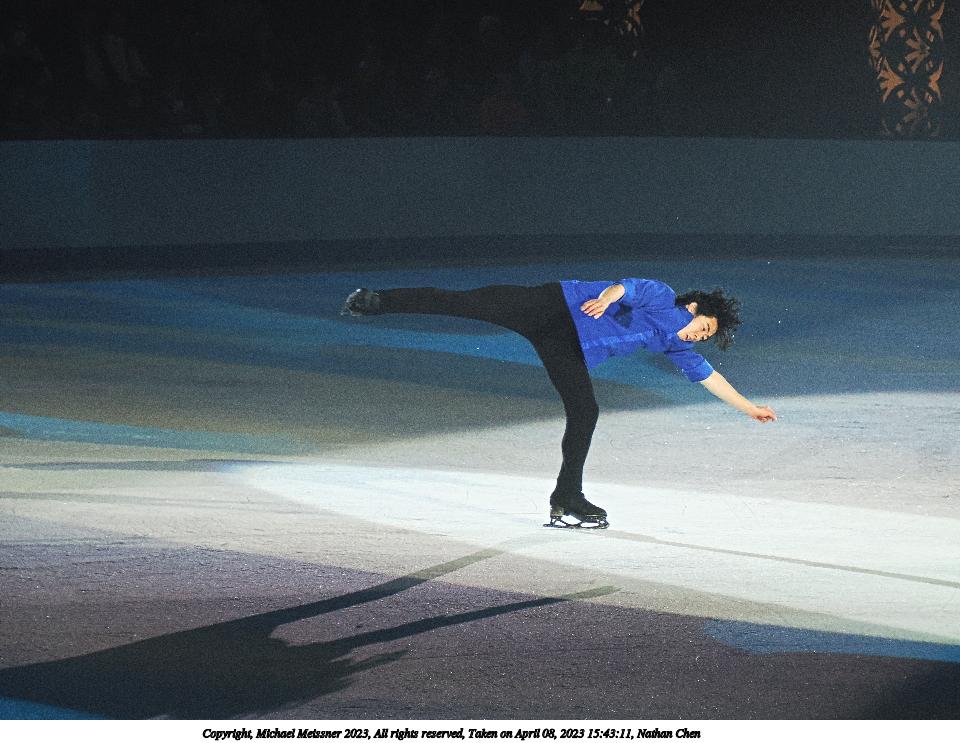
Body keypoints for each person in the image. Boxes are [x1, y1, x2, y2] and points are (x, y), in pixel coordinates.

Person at [341, 278, 777, 529]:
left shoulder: (677, 347)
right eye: (705, 328)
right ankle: (378, 301)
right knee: (465, 303)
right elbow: (624, 287)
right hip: (549, 307)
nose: (700, 336)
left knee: (586, 411)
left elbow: (710, 377)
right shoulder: (662, 296)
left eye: (705, 337)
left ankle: (567, 496)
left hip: (566, 345)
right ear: (695, 307)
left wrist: (750, 408)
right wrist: (605, 298)